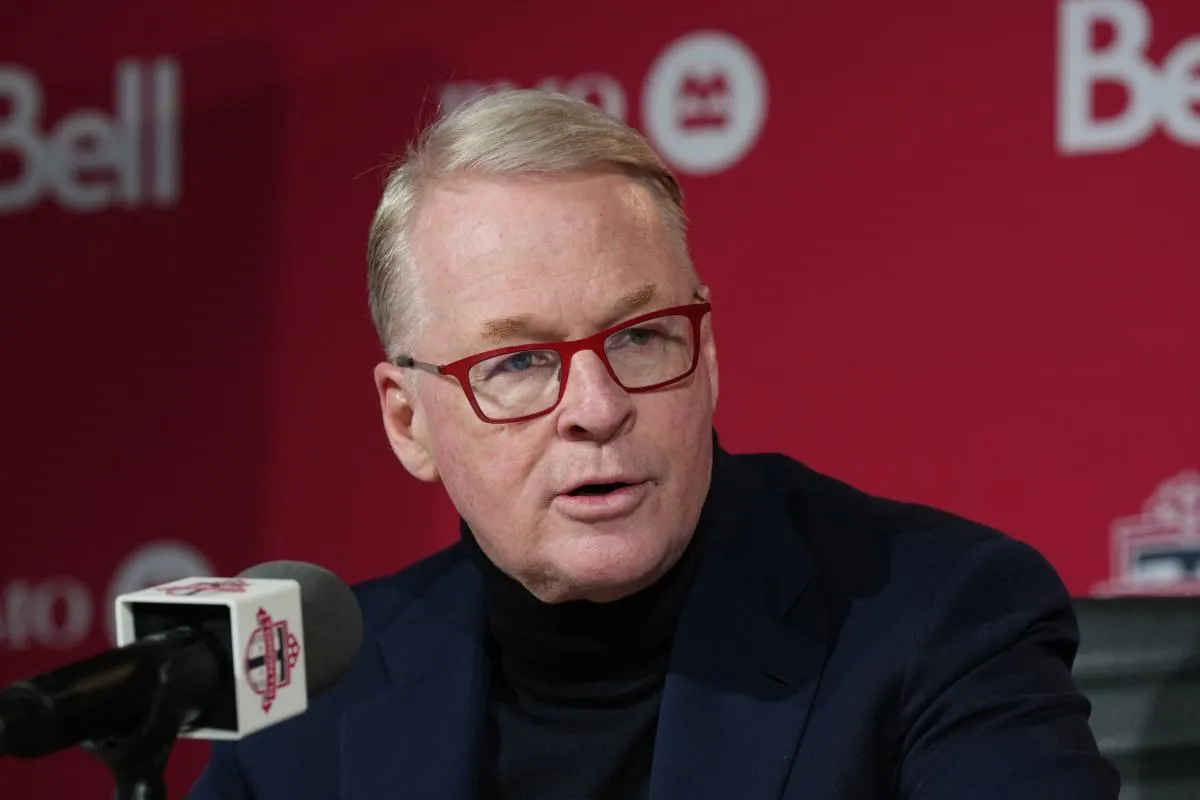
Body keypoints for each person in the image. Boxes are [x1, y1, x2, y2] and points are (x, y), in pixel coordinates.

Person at [188, 88, 1119, 799]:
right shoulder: (306, 693)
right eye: (517, 362)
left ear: (705, 353)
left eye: (639, 337)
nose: (596, 407)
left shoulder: (942, 618)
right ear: (408, 421)